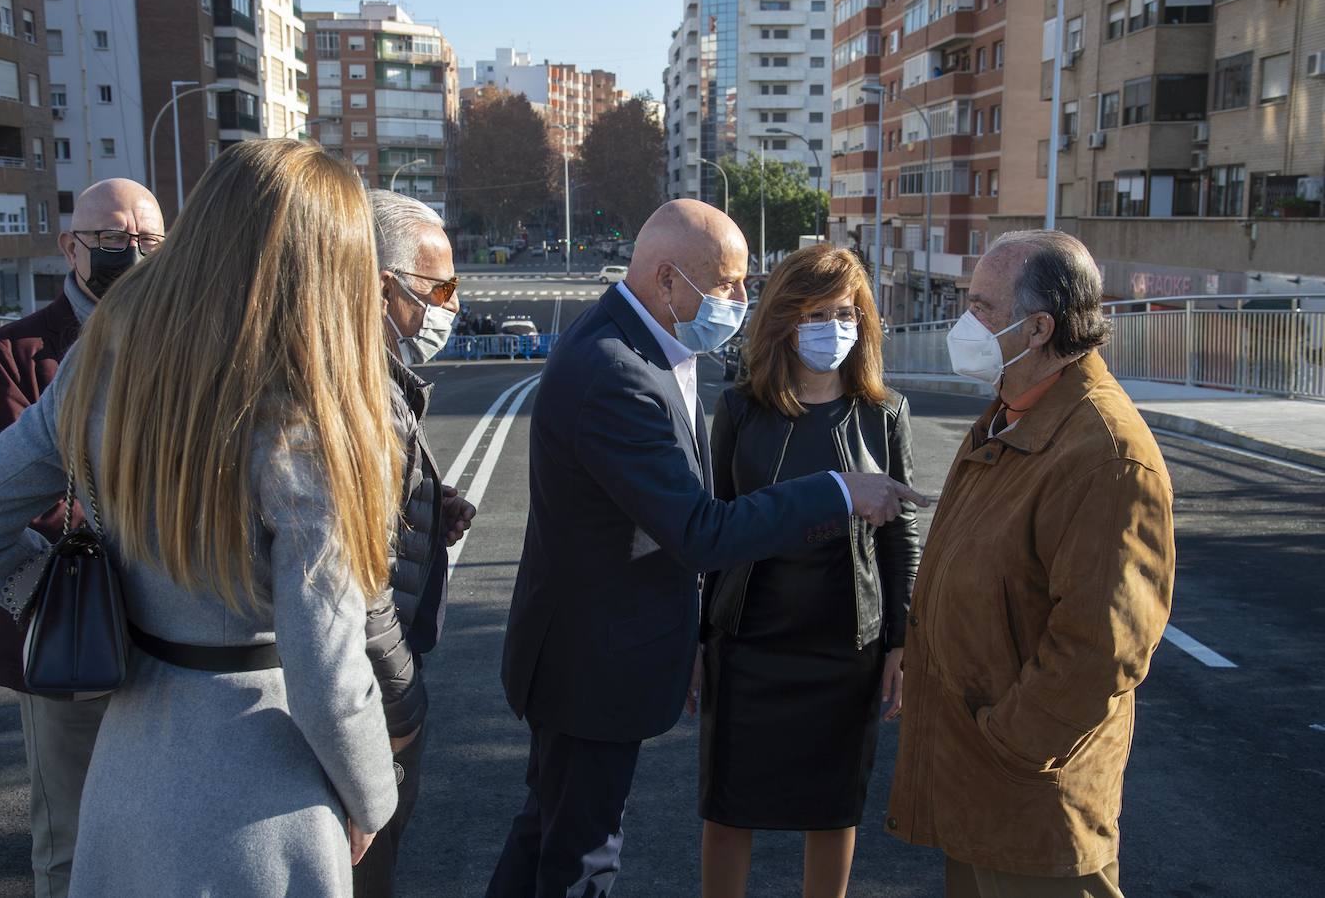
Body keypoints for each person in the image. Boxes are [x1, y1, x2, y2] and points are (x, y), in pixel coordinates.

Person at [0, 140, 402, 895]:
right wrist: (373, 797)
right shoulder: (306, 419)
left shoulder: (99, 367)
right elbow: (325, 671)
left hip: (128, 763)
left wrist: (67, 595)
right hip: (264, 793)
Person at [487, 199, 927, 898]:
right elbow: (703, 531)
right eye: (727, 284)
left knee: (550, 832)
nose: (742, 300)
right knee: (581, 857)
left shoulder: (641, 347)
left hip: (601, 652)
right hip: (595, 663)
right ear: (668, 279)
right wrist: (838, 492)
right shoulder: (618, 371)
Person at [886, 230, 1176, 897]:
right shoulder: (1013, 415)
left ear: (1039, 328)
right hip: (980, 789)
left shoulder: (1105, 455)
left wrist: (1008, 745)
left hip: (1030, 800)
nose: (964, 323)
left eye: (981, 307)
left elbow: (1102, 647)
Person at [0, 177, 163, 898]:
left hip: (177, 639)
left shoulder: (182, 345)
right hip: (72, 638)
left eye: (148, 239)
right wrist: (60, 587)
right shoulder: (14, 353)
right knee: (74, 845)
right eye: (110, 238)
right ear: (68, 246)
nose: (130, 252)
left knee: (172, 833)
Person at [700, 246, 921, 898]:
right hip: (747, 645)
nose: (834, 327)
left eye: (845, 313)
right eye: (816, 314)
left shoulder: (885, 414)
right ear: (785, 320)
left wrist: (901, 642)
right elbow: (711, 531)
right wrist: (695, 640)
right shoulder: (740, 410)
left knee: (834, 811)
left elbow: (900, 538)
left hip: (846, 649)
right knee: (728, 809)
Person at [355, 189, 478, 896]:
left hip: (373, 680)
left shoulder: (378, 372)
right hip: (370, 693)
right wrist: (404, 703)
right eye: (440, 288)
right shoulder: (358, 389)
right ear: (383, 286)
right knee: (365, 866)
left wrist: (430, 504)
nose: (450, 306)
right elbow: (355, 581)